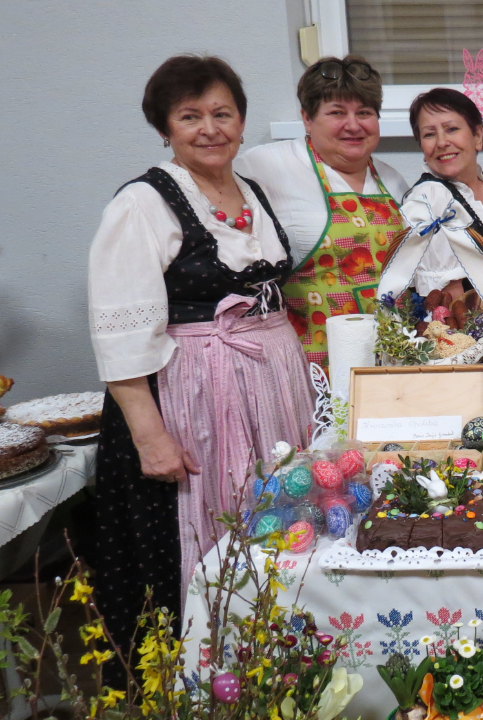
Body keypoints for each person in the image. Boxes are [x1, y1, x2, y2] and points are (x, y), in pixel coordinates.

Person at [88, 55, 313, 672]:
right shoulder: (142, 204)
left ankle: (274, 660)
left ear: (241, 122)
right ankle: (209, 674)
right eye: (191, 116)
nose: (210, 128)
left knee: (273, 521)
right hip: (192, 396)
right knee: (206, 530)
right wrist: (150, 436)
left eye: (222, 113)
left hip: (268, 388)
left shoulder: (252, 193)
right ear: (165, 127)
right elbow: (122, 336)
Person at [237, 55, 411, 369]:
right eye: (337, 112)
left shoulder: (393, 181)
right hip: (310, 363)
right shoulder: (267, 165)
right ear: (306, 118)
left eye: (365, 113)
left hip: (390, 360)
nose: (354, 125)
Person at [382, 88, 483, 372]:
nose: (442, 142)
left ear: (477, 135)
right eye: (429, 134)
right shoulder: (431, 202)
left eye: (452, 129)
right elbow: (449, 315)